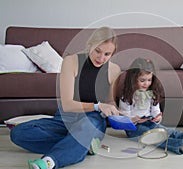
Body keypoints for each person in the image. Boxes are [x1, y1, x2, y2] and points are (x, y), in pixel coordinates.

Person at [10, 27, 121, 169]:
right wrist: (98, 105)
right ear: (90, 44)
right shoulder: (71, 61)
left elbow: (110, 100)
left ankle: (50, 161)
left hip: (91, 120)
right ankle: (83, 144)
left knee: (86, 127)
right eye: (97, 51)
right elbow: (68, 104)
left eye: (107, 54)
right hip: (65, 117)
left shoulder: (114, 70)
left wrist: (115, 110)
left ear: (113, 53)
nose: (101, 58)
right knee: (18, 133)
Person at [119, 58, 183, 154]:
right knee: (155, 137)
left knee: (170, 131)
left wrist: (157, 117)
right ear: (133, 79)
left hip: (150, 122)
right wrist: (133, 120)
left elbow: (155, 111)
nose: (146, 83)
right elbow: (124, 117)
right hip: (134, 128)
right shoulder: (126, 97)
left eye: (149, 80)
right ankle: (180, 145)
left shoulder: (152, 94)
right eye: (142, 80)